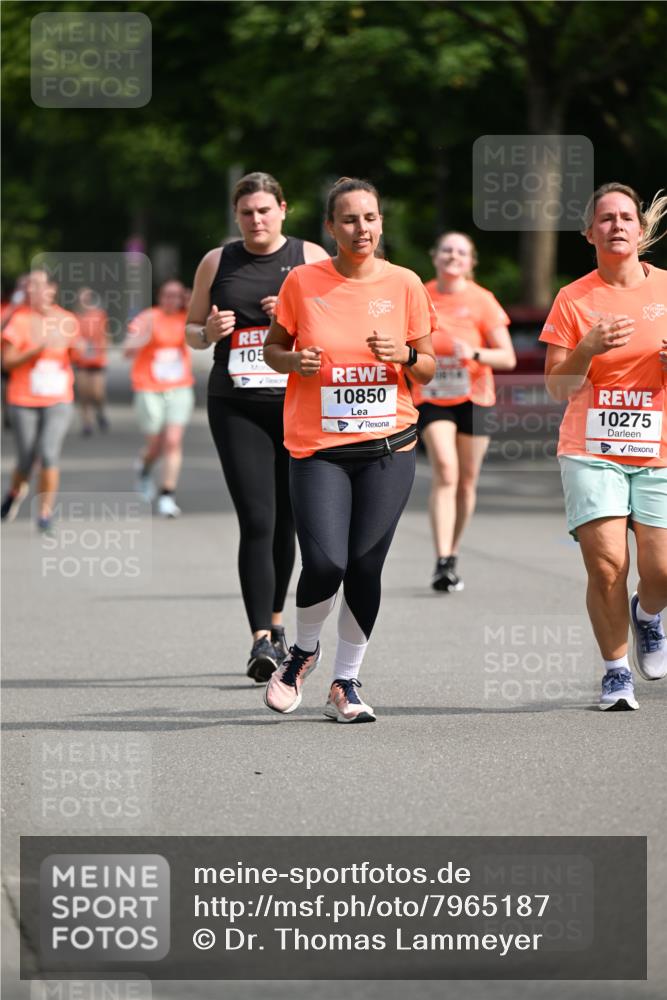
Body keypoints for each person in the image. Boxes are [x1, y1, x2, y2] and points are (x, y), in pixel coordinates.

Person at [262, 177, 437, 723]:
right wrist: (295, 363)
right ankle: (302, 654)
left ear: (381, 222)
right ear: (330, 228)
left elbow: (429, 368)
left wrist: (406, 354)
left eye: (370, 218)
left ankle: (346, 682)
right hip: (319, 448)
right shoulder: (302, 282)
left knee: (364, 565)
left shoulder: (406, 283)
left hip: (389, 444)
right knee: (324, 561)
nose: (362, 229)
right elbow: (273, 351)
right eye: (349, 220)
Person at [186, 172, 329, 682]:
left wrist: (293, 316)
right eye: (246, 213)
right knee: (257, 518)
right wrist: (206, 331)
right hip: (236, 403)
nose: (256, 220)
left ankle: (276, 621)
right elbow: (191, 330)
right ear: (236, 216)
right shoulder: (216, 261)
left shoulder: (310, 257)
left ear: (283, 210)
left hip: (297, 403)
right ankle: (260, 641)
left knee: (288, 520)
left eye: (265, 210)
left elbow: (334, 326)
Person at [540, 182, 667, 711]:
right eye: (606, 218)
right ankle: (616, 673)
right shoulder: (574, 298)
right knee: (608, 564)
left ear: (641, 230)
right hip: (591, 447)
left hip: (659, 448)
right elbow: (557, 386)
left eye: (626, 217)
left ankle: (649, 616)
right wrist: (588, 348)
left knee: (661, 570)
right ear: (589, 232)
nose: (617, 225)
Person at [412, 232, 516, 592]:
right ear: (434, 256)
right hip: (432, 395)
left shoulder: (482, 300)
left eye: (461, 252)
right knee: (445, 469)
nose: (453, 256)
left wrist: (473, 353)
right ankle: (441, 559)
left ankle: (452, 554)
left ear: (471, 261)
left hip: (474, 395)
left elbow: (507, 356)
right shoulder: (421, 295)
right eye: (446, 250)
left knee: (467, 480)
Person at [0, 269, 78, 532]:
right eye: (30, 285)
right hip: (23, 398)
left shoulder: (67, 319)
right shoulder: (19, 320)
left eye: (40, 285)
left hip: (58, 398)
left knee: (48, 453)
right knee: (25, 458)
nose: (35, 290)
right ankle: (14, 491)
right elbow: (7, 362)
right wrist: (35, 349)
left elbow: (76, 353)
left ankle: (45, 512)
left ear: (52, 289)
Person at [124, 280, 193, 517]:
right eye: (167, 295)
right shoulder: (148, 317)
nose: (171, 300)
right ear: (160, 296)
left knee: (173, 440)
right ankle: (144, 470)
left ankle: (167, 495)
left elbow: (201, 335)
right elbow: (127, 350)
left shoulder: (186, 317)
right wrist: (145, 335)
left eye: (176, 295)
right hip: (148, 387)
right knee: (155, 445)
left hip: (179, 387)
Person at [71, 287, 110, 435]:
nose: (84, 301)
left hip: (97, 359)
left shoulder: (99, 315)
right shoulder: (73, 317)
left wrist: (104, 350)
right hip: (81, 360)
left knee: (97, 392)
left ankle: (100, 412)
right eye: (82, 298)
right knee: (83, 393)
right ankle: (86, 422)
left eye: (87, 298)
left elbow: (106, 334)